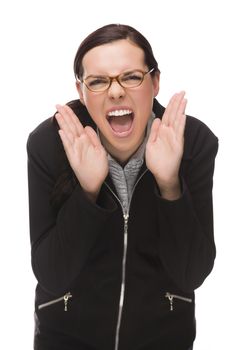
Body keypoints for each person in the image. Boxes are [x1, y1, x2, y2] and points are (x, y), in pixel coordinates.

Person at [27, 23, 218, 350]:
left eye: (131, 77)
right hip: (66, 337)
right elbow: (51, 274)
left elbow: (192, 274)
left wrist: (169, 183)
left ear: (155, 82)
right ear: (81, 92)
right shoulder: (50, 144)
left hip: (164, 337)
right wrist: (87, 190)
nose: (115, 92)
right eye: (98, 81)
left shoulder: (193, 142)